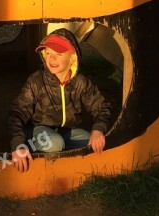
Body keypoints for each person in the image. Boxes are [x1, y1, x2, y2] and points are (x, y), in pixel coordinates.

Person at [7, 29, 110, 173]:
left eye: (58, 54)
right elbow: (17, 112)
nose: (51, 59)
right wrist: (18, 144)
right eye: (48, 53)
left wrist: (98, 129)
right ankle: (28, 149)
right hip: (39, 131)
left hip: (67, 132)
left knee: (92, 142)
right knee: (55, 143)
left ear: (72, 58)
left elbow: (102, 107)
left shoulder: (81, 83)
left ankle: (66, 163)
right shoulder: (36, 81)